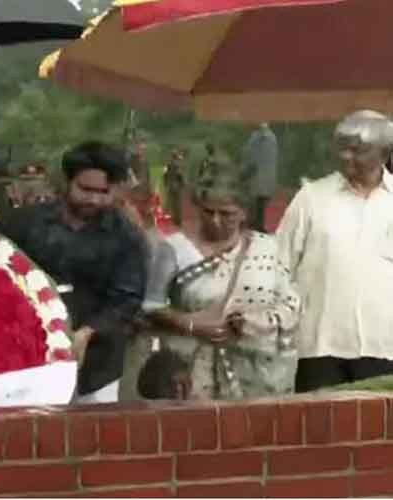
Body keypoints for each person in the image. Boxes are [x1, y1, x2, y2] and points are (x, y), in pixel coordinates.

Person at [122, 168, 300, 401]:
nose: (215, 221)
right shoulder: (175, 248)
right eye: (208, 212)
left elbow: (291, 304)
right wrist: (193, 325)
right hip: (191, 371)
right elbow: (151, 305)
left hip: (258, 373)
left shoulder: (267, 249)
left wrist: (252, 323)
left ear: (243, 213)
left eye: (227, 214)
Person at [0, 141, 147, 404]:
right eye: (85, 189)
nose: (93, 199)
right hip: (28, 361)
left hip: (96, 367)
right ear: (67, 182)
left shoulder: (126, 237)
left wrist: (87, 333)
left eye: (103, 192)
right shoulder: (23, 223)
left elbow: (127, 300)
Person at [278, 110, 393, 391]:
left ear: (384, 152)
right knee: (318, 429)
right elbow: (279, 265)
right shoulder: (311, 198)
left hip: (385, 344)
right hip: (319, 344)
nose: (346, 157)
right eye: (342, 148)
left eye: (358, 150)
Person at [242, 123, 279, 232]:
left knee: (255, 202)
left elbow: (252, 159)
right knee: (261, 203)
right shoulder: (272, 138)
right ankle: (258, 225)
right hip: (267, 177)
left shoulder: (256, 138)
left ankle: (254, 225)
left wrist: (244, 173)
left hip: (256, 176)